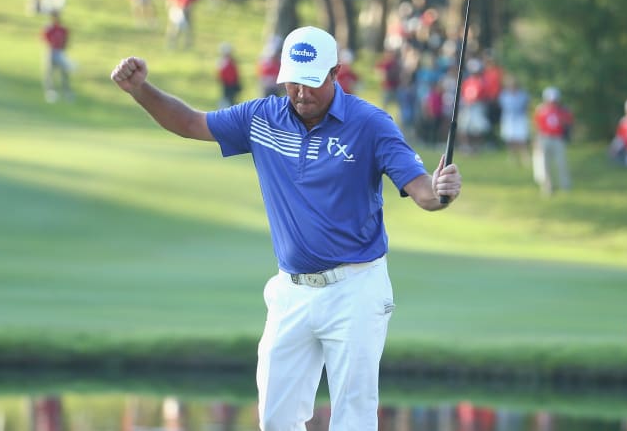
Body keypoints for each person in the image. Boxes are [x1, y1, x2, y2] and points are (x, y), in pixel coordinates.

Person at [109, 25, 462, 431]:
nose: (302, 93)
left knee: (354, 416)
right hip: (291, 292)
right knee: (275, 417)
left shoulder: (370, 124)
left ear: (335, 74)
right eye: (294, 82)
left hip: (356, 289)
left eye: (312, 83)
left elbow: (421, 190)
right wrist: (141, 90)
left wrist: (441, 193)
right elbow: (191, 123)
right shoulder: (262, 118)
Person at [532, 86, 573, 195]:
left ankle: (565, 185)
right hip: (545, 137)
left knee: (561, 162)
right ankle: (547, 186)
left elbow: (568, 123)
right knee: (545, 163)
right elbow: (538, 126)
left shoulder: (563, 111)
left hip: (558, 138)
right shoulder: (540, 110)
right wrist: (536, 140)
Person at [497, 73, 529, 166]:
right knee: (510, 138)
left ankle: (524, 157)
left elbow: (524, 106)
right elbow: (503, 106)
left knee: (521, 138)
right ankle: (512, 157)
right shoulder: (504, 95)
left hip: (519, 117)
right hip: (509, 118)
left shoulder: (522, 94)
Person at [41, 11, 73, 102]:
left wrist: (63, 48)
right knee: (49, 73)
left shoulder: (62, 29)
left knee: (64, 73)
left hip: (60, 52)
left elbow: (66, 40)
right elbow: (45, 40)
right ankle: (50, 92)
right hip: (51, 52)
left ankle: (66, 92)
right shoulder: (49, 29)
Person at [216, 42, 240, 107]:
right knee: (227, 100)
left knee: (231, 100)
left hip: (232, 84)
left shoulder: (230, 61)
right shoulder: (225, 62)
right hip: (227, 84)